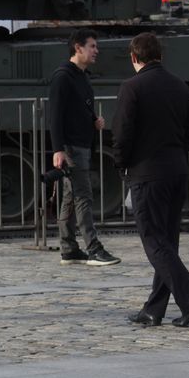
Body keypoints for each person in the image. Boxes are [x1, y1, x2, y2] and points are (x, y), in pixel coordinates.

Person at [113, 33, 189, 327]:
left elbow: (123, 133)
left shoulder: (132, 87)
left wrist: (121, 163)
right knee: (167, 243)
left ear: (133, 57)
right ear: (161, 56)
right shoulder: (179, 85)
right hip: (177, 170)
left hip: (146, 173)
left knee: (154, 242)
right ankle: (154, 309)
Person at [47, 29, 119, 266]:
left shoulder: (81, 76)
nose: (96, 50)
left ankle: (68, 248)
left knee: (70, 197)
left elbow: (77, 108)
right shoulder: (63, 77)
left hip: (82, 144)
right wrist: (57, 149)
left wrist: (93, 121)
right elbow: (55, 116)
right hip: (71, 147)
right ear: (78, 48)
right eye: (92, 46)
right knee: (83, 196)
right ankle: (94, 249)